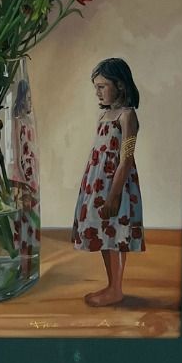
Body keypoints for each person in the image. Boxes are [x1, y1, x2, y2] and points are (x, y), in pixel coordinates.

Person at [71, 57, 145, 306]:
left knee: (116, 235)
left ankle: (116, 288)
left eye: (102, 86)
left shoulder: (127, 117)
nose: (97, 92)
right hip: (98, 183)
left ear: (121, 85)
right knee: (105, 235)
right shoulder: (104, 116)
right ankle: (112, 285)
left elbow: (126, 157)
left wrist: (114, 194)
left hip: (116, 185)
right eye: (96, 87)